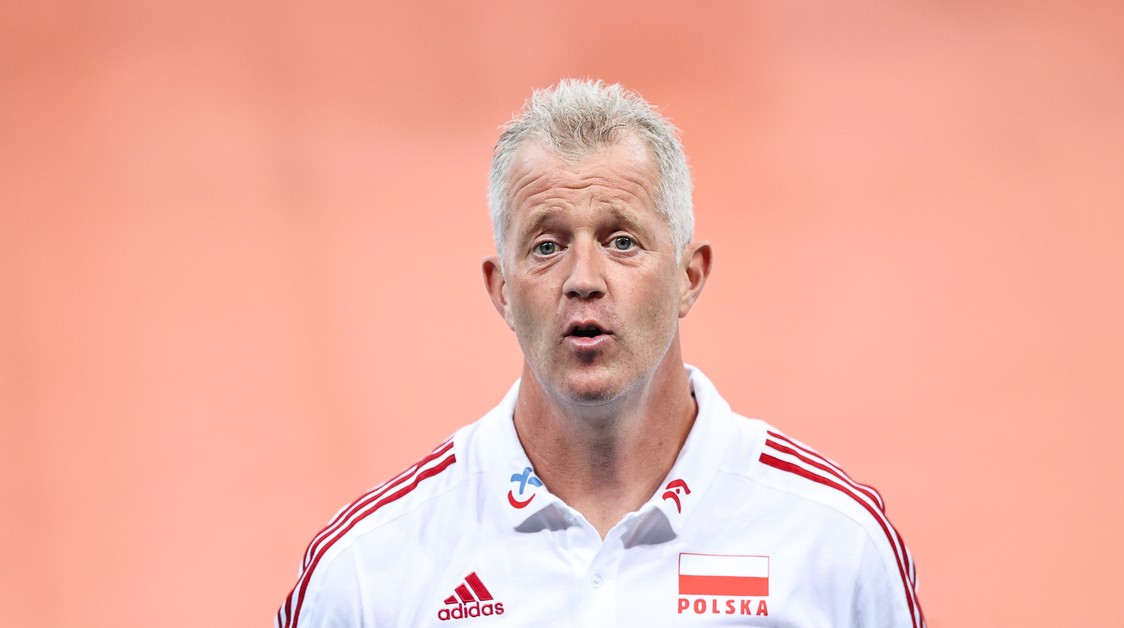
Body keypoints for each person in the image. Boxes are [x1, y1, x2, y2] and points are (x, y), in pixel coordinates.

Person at [276, 79, 924, 627]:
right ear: (502, 292)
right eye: (547, 246)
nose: (583, 279)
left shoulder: (836, 545)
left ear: (688, 277)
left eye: (621, 241)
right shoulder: (365, 572)